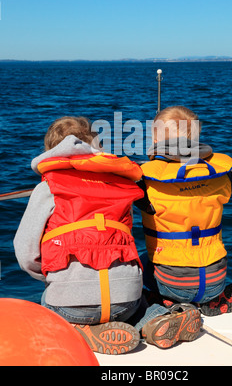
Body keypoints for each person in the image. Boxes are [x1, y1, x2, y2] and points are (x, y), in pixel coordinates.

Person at [14, 116, 148, 355]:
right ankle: (151, 320)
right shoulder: (121, 184)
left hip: (72, 306)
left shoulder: (48, 187)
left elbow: (25, 253)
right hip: (126, 301)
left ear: (51, 151)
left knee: (48, 305)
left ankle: (81, 331)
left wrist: (52, 276)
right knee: (140, 299)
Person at [139, 105, 232, 316]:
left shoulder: (146, 181)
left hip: (171, 282)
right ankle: (213, 300)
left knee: (140, 261)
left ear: (155, 141)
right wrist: (205, 158)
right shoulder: (218, 177)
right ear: (196, 140)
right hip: (214, 280)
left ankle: (164, 301)